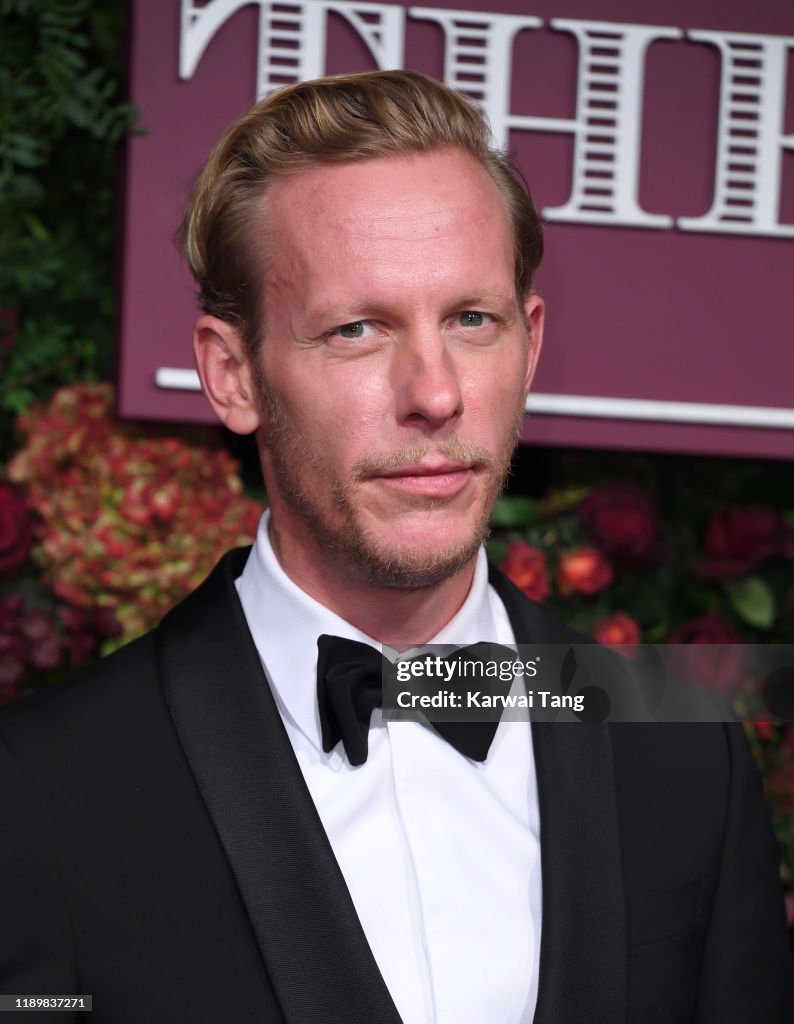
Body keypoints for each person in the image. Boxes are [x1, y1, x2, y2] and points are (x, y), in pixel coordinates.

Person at [0, 70, 791, 1024]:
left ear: (530, 345)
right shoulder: (40, 792)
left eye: (471, 320)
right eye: (357, 329)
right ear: (231, 373)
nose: (435, 392)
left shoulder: (685, 752)